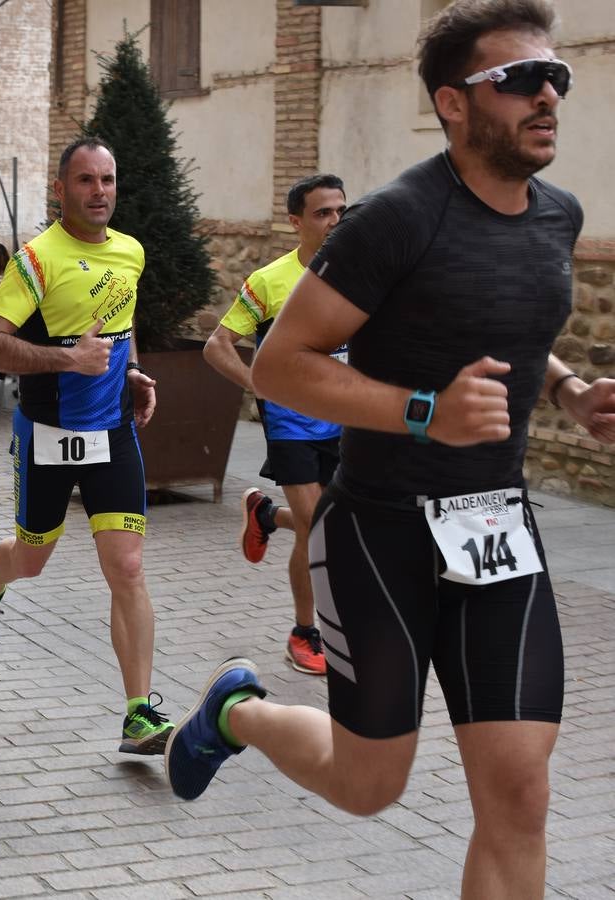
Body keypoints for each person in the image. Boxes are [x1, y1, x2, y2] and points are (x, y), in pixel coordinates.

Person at [166, 4, 615, 896]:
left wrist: (568, 390)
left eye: (554, 76)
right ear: (453, 102)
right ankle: (239, 710)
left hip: (495, 528)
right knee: (372, 785)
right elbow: (285, 367)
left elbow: (508, 322)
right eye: (519, 80)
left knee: (520, 795)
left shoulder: (556, 216)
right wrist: (424, 413)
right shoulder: (396, 219)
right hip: (380, 530)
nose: (547, 95)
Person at [0, 138, 170, 756]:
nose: (99, 192)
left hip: (113, 432)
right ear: (62, 190)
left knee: (127, 566)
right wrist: (68, 360)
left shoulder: (130, 253)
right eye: (85, 181)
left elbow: (118, 328)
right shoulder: (37, 260)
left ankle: (139, 713)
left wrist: (128, 372)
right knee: (31, 558)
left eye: (107, 180)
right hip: (48, 434)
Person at [202, 174, 348, 676]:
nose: (334, 222)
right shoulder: (269, 281)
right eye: (322, 213)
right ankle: (304, 632)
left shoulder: (359, 276)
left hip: (344, 418)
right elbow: (216, 345)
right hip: (290, 423)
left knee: (333, 524)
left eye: (340, 212)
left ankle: (266, 515)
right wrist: (258, 384)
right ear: (295, 222)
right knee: (318, 526)